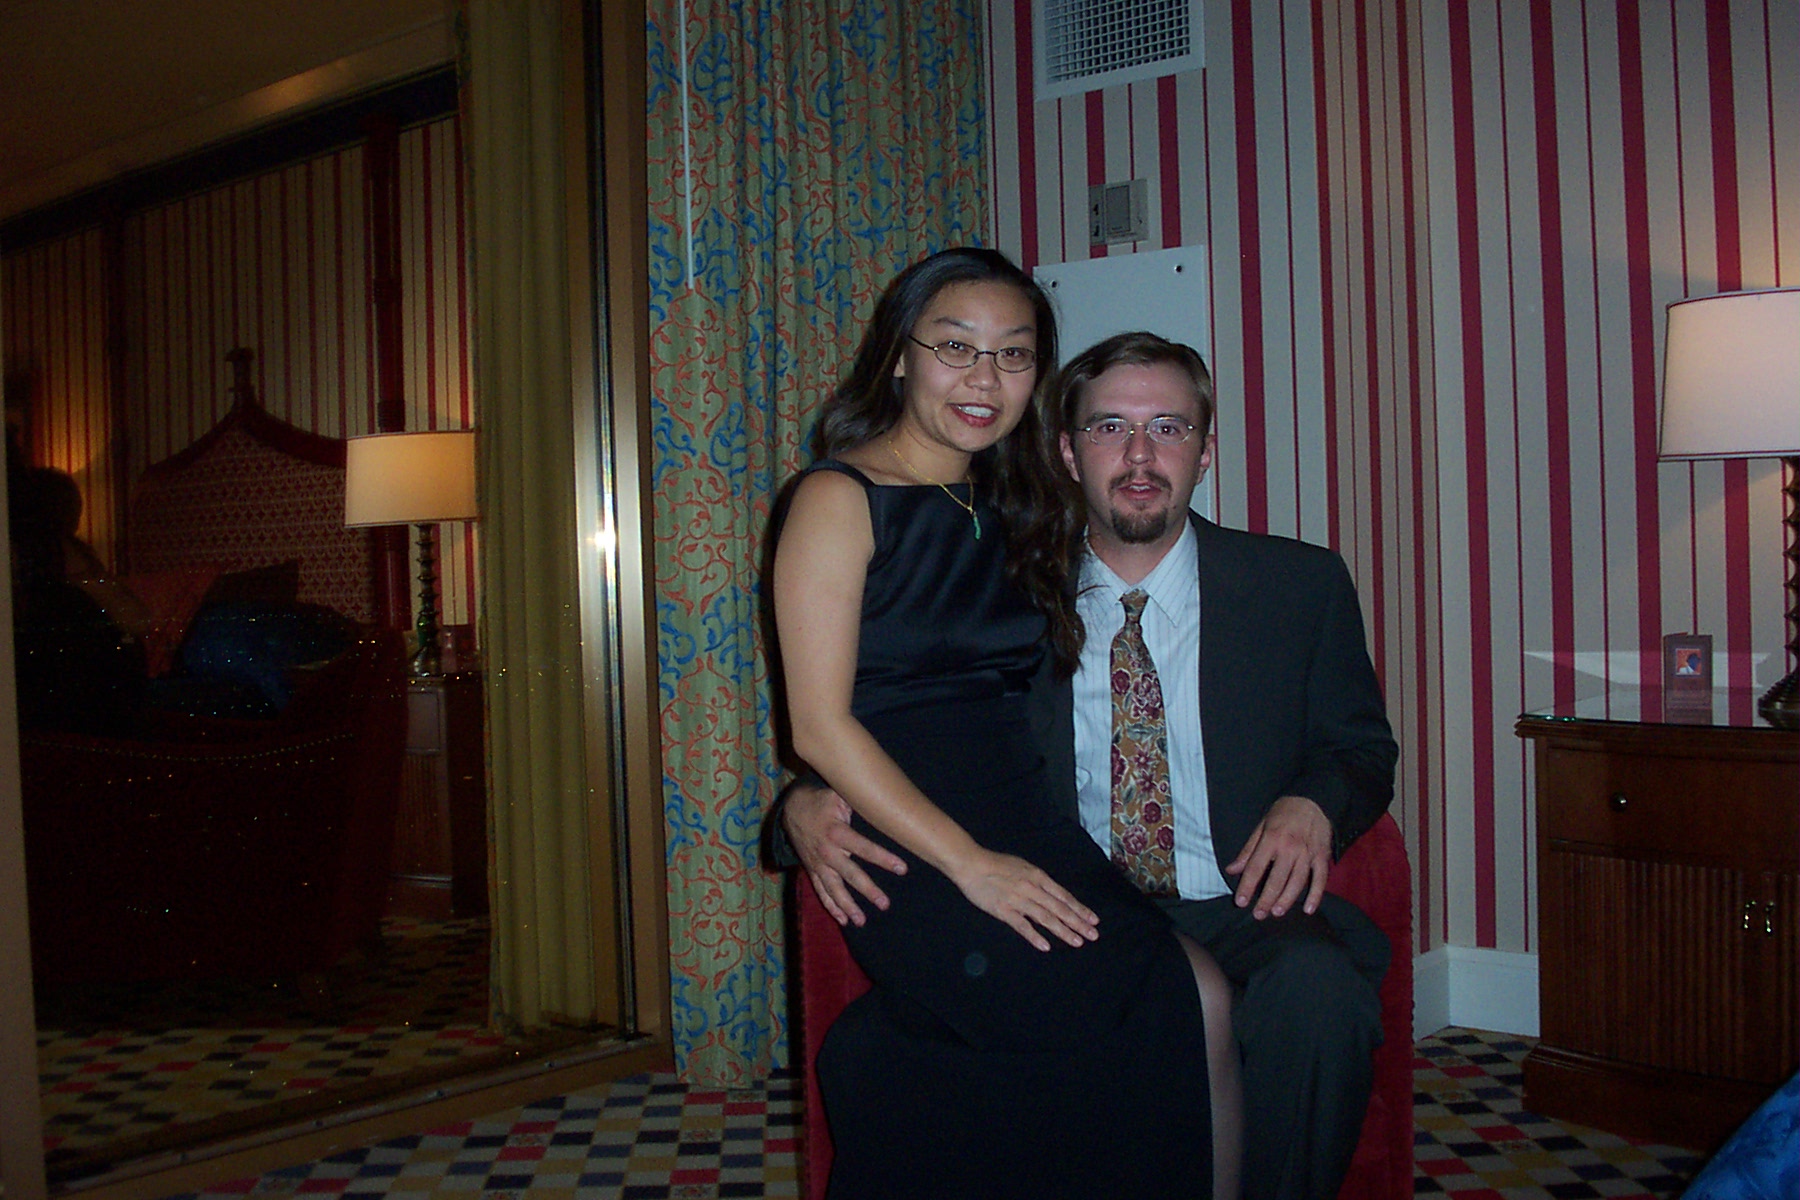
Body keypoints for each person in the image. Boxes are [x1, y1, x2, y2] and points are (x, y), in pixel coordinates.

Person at [780, 330, 1398, 1200]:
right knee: (901, 1050)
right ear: (1069, 453)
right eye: (1110, 428)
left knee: (1319, 993)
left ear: (1205, 450)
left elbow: (1361, 745)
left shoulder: (1298, 586)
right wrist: (805, 801)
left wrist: (1314, 802)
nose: (1140, 455)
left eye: (1169, 428)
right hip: (1070, 896)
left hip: (1234, 898)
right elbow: (915, 720)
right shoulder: (1008, 591)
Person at [771, 252, 1241, 1199]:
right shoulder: (836, 499)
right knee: (1069, 1008)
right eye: (956, 347)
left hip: (1025, 818)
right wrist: (970, 866)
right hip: (915, 843)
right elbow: (819, 729)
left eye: (1013, 355)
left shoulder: (1020, 505)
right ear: (900, 356)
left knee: (1194, 991)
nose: (984, 379)